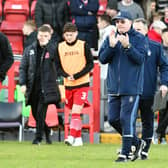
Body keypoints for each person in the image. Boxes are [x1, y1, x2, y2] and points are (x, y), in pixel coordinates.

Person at [98, 11, 147, 162]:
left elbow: (140, 59)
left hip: (131, 87)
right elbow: (102, 59)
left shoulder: (139, 38)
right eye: (117, 21)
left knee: (126, 119)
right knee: (113, 120)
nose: (119, 24)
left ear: (130, 22)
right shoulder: (110, 37)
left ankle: (124, 154)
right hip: (114, 87)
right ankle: (137, 143)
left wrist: (128, 47)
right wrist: (112, 47)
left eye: (122, 21)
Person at [19, 25, 61, 145]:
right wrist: (22, 83)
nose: (42, 38)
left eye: (45, 36)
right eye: (41, 35)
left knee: (40, 112)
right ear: (37, 35)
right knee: (35, 113)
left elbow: (57, 60)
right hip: (33, 86)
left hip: (46, 87)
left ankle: (38, 138)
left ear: (50, 37)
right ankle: (47, 131)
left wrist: (48, 45)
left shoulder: (53, 48)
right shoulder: (29, 49)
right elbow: (23, 67)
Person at [133, 18, 168, 159]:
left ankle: (145, 150)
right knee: (126, 121)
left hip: (148, 91)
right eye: (134, 30)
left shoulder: (155, 47)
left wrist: (164, 83)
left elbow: (165, 66)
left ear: (147, 30)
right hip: (130, 91)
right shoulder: (126, 46)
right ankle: (133, 146)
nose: (136, 32)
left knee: (147, 122)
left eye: (139, 29)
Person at [56, 22, 94, 147]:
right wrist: (66, 75)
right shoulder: (60, 47)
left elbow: (90, 64)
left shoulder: (83, 45)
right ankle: (78, 139)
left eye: (71, 35)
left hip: (82, 83)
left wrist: (77, 75)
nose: (69, 37)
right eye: (67, 35)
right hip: (68, 84)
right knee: (73, 112)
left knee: (76, 111)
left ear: (76, 33)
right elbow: (57, 66)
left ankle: (71, 136)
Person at [153, 28, 168, 145]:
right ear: (162, 36)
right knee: (162, 111)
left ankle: (158, 132)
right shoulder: (158, 49)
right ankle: (161, 136)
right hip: (160, 83)